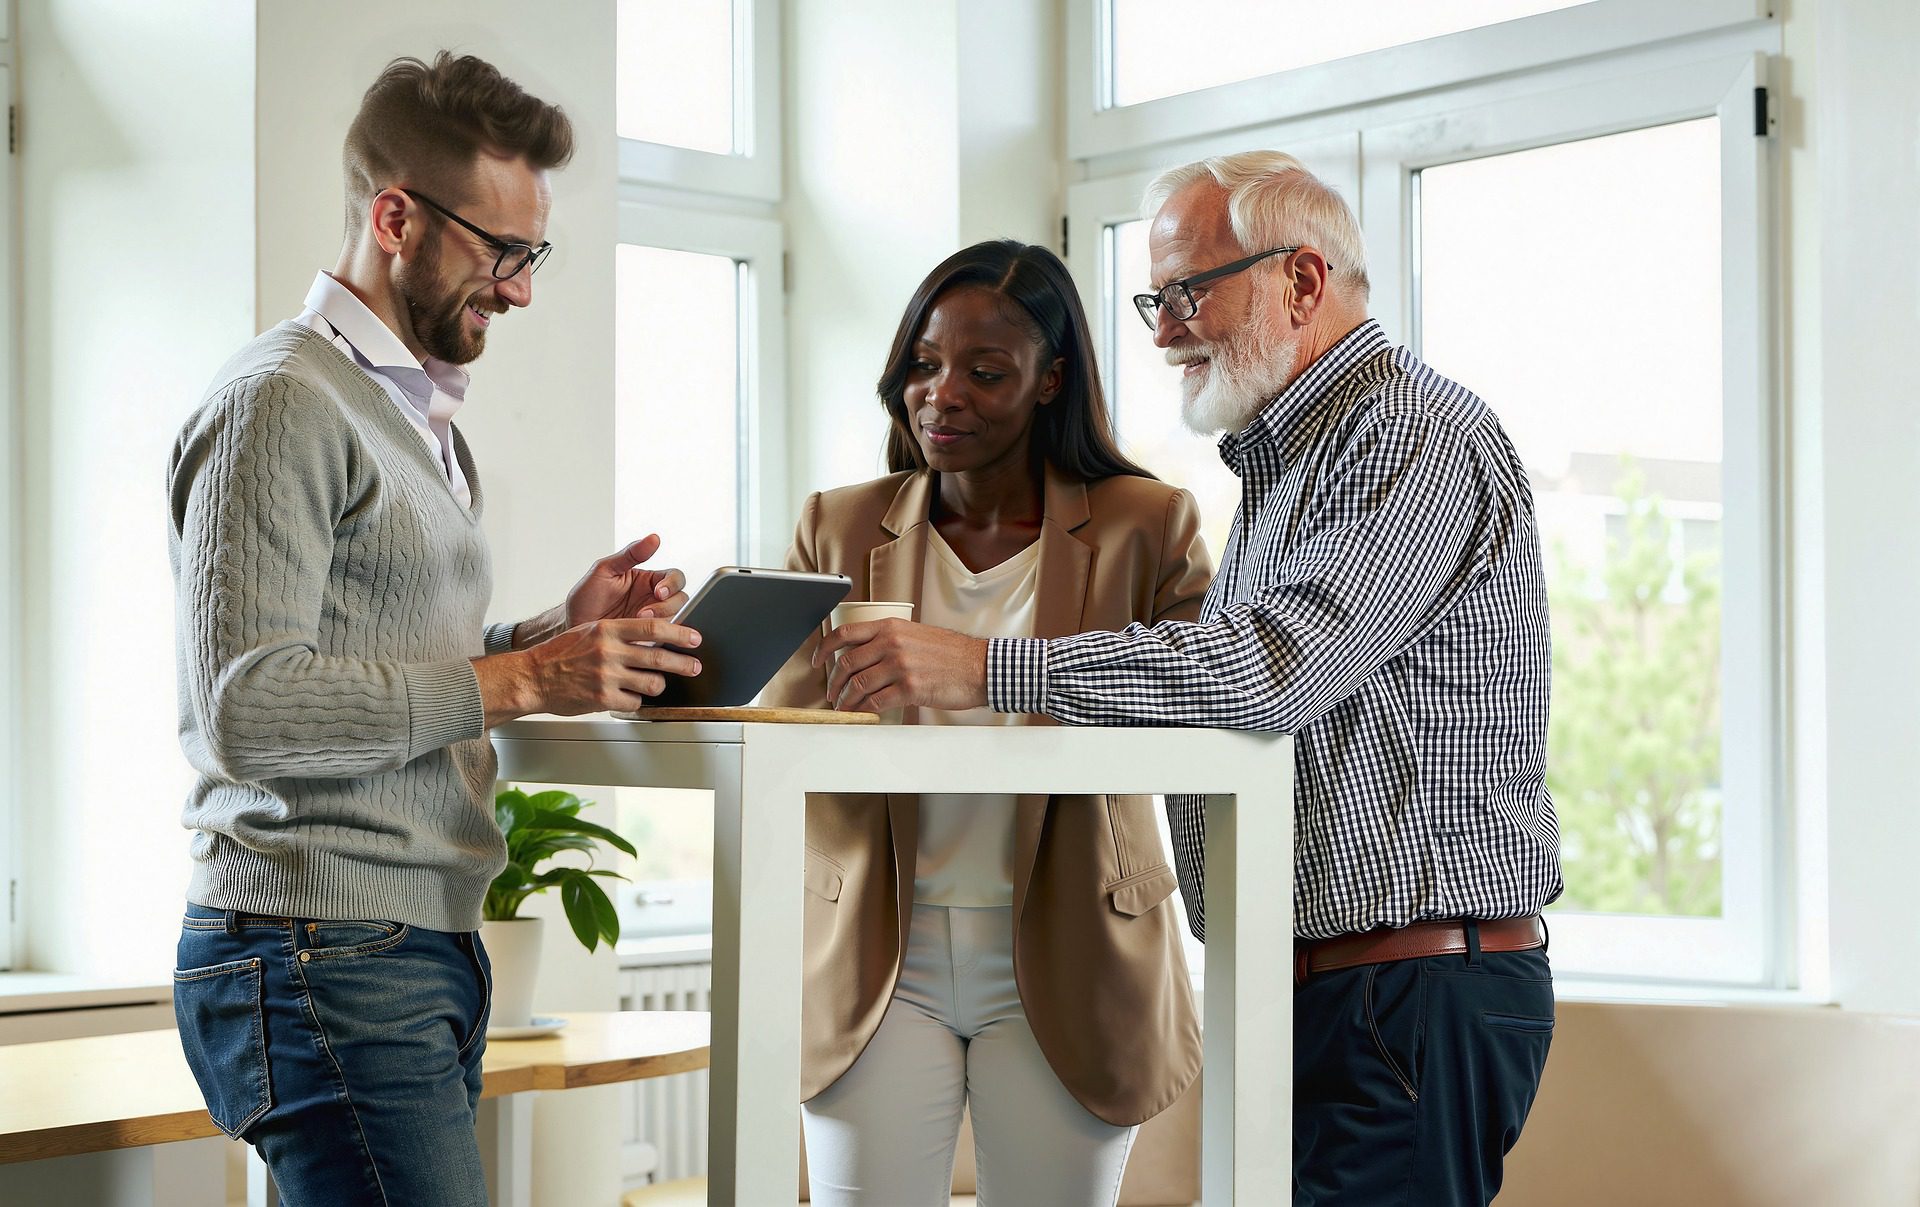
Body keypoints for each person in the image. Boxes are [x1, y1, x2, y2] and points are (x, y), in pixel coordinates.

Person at [819, 152, 1564, 1205]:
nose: (1164, 331)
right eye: (1153, 299)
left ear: (1302, 281)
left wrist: (986, 664)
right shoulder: (1286, 461)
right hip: (1332, 985)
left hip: (1409, 987)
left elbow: (1266, 668)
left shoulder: (1410, 433)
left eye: (1187, 294)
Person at [166, 53, 702, 1206]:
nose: (518, 289)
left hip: (403, 944)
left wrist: (552, 630)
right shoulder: (282, 402)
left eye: (529, 256)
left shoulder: (411, 421)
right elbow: (246, 708)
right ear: (396, 216)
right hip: (321, 944)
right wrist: (521, 676)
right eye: (501, 253)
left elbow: (380, 651)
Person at [762, 240, 1213, 1206]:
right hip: (878, 948)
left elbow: (1201, 695)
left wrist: (987, 677)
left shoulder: (1147, 524)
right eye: (923, 365)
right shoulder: (837, 526)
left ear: (1052, 380)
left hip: (1074, 943)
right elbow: (774, 726)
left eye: (985, 371)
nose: (942, 393)